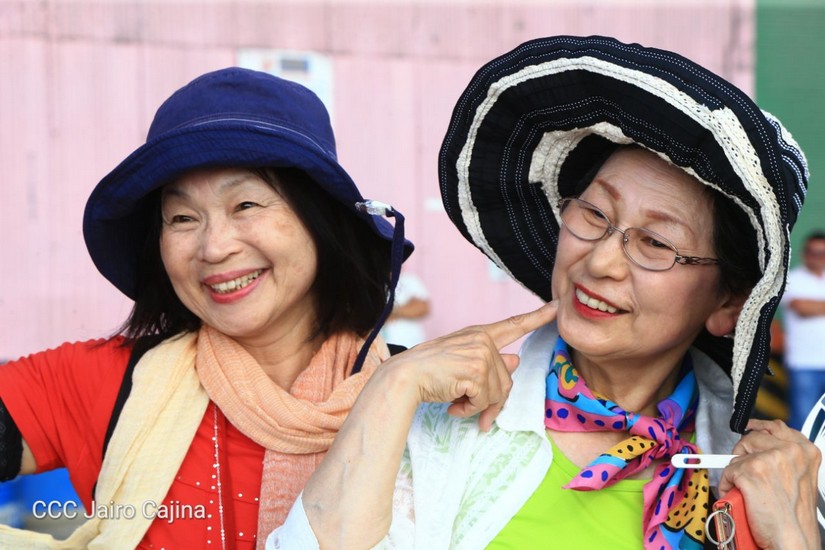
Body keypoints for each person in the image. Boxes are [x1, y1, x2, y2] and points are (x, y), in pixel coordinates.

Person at [268, 36, 821, 549]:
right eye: (594, 213)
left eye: (655, 242)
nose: (599, 261)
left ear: (727, 303)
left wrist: (794, 538)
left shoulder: (766, 475)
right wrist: (392, 387)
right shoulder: (447, 425)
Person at [0, 67, 413, 548]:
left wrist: (401, 387)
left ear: (321, 222)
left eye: (246, 205)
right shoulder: (104, 383)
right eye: (181, 217)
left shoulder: (419, 401)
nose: (214, 248)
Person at [781, 231, 825, 430]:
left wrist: (814, 305)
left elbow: (807, 306)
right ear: (804, 253)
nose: (816, 257)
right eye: (812, 252)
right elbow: (800, 307)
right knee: (804, 422)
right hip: (803, 363)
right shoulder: (792, 279)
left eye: (821, 253)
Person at [380, 269, 431, 348]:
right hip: (381, 349)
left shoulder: (408, 280)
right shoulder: (370, 285)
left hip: (411, 346)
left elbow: (422, 308)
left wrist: (389, 312)